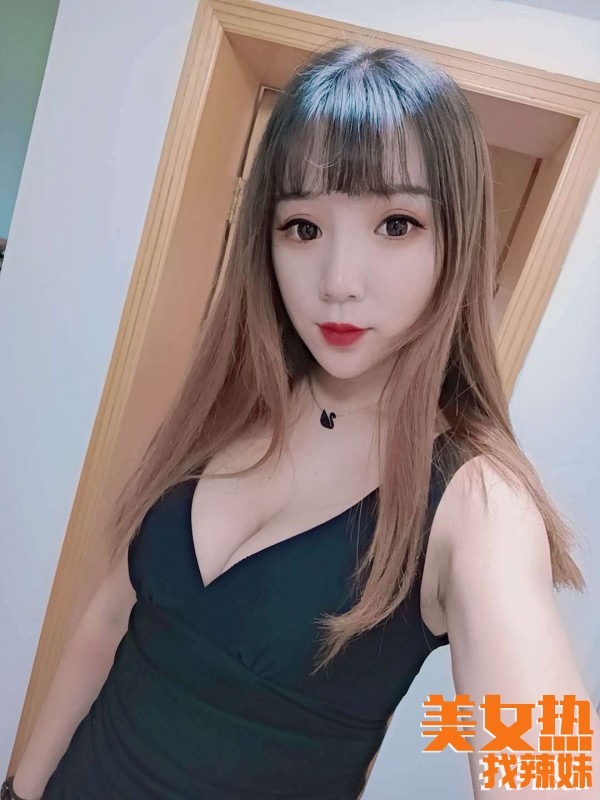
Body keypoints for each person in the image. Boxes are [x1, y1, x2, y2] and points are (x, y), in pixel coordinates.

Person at [6, 40, 597, 800]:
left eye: (396, 224)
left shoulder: (478, 503)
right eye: (304, 228)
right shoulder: (231, 406)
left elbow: (550, 765)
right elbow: (109, 623)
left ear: (459, 242)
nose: (338, 282)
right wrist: (21, 789)